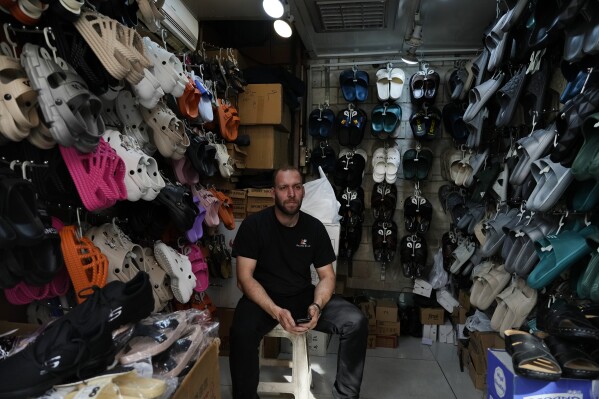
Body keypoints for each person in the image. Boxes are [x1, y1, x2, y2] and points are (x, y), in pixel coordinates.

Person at [229, 165, 368, 399]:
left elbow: (327, 277)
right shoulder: (254, 226)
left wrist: (317, 306)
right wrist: (274, 310)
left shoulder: (314, 228)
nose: (290, 194)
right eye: (283, 188)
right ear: (274, 192)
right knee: (240, 332)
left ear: (303, 191)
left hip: (303, 296)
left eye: (296, 187)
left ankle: (346, 396)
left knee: (355, 321)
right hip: (263, 300)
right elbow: (244, 279)